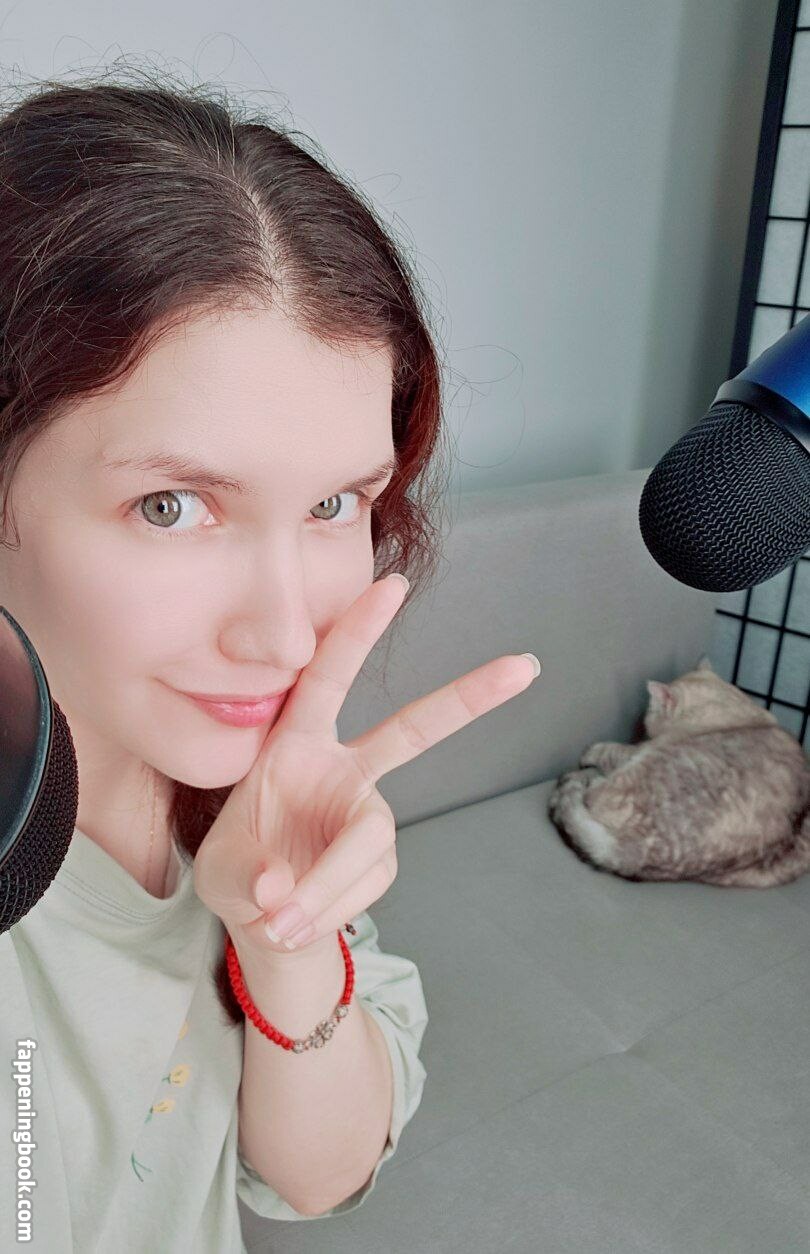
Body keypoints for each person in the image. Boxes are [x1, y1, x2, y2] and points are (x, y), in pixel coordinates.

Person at [0, 67, 452, 1252]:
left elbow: (318, 1178)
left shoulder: (252, 794)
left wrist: (283, 937)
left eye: (336, 505)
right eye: (172, 507)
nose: (288, 637)